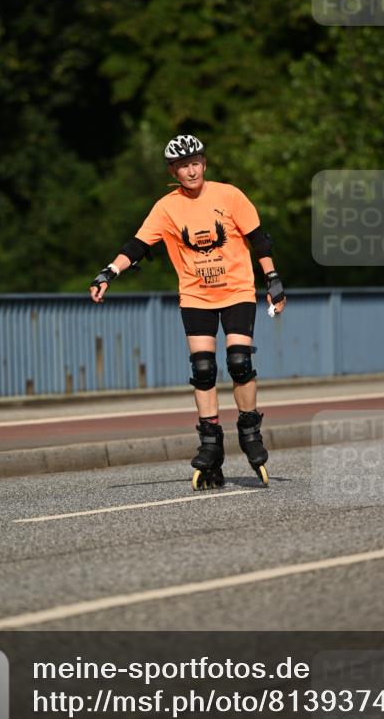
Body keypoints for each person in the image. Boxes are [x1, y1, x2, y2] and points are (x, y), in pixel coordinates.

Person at [89, 134, 286, 490]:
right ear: (173, 172)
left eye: (195, 163)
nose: (191, 171)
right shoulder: (166, 208)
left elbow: (259, 239)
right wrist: (108, 273)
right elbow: (137, 245)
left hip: (237, 291)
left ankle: (249, 431)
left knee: (239, 361)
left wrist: (272, 280)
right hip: (196, 297)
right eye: (183, 166)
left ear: (204, 164)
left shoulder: (229, 195)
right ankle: (211, 443)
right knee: (203, 369)